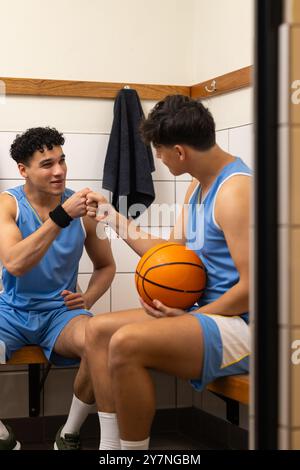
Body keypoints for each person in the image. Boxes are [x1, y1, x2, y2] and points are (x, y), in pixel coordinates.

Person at [84, 94, 251, 450]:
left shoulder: (236, 191)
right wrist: (112, 217)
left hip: (246, 324)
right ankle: (110, 449)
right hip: (205, 315)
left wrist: (190, 316)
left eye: (159, 152)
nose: (157, 159)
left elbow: (256, 288)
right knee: (98, 330)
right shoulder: (197, 184)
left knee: (127, 343)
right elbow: (171, 255)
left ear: (179, 152)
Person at [0, 127, 116, 450]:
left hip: (60, 314)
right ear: (23, 170)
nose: (59, 171)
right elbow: (14, 263)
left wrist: (88, 297)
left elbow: (106, 266)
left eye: (62, 161)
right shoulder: (7, 205)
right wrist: (61, 217)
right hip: (10, 310)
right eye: (47, 164)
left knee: (102, 343)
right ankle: (2, 435)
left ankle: (69, 434)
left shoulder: (84, 209)